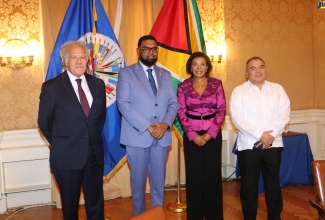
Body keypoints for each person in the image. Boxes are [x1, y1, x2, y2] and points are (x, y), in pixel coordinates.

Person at [38, 41, 107, 220]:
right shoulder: (51, 87)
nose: (79, 61)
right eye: (74, 57)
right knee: (70, 208)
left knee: (96, 205)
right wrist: (63, 142)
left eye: (82, 57)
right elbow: (44, 123)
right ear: (65, 61)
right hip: (66, 158)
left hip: (94, 156)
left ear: (87, 60)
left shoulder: (98, 85)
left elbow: (99, 118)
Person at [116, 35, 179, 216]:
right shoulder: (126, 73)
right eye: (146, 48)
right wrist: (149, 126)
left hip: (161, 138)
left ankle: (157, 216)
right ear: (138, 51)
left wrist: (165, 124)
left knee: (159, 185)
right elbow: (123, 104)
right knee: (138, 186)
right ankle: (140, 217)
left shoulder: (165, 75)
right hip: (137, 137)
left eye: (154, 49)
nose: (150, 52)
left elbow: (173, 104)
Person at [229, 56, 290, 220]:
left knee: (273, 186)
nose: (258, 71)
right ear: (246, 73)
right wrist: (260, 135)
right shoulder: (238, 91)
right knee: (249, 188)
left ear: (266, 69)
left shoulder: (278, 89)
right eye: (253, 68)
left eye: (261, 67)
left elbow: (284, 115)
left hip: (274, 145)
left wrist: (271, 135)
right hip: (249, 146)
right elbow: (237, 118)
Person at [177, 52, 226, 220]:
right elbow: (181, 112)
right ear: (190, 67)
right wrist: (193, 135)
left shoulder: (216, 84)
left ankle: (214, 215)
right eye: (195, 64)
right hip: (192, 136)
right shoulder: (183, 86)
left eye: (202, 64)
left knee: (212, 176)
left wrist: (209, 134)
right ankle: (195, 215)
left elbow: (221, 110)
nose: (199, 68)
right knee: (194, 176)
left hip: (212, 135)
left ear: (207, 67)